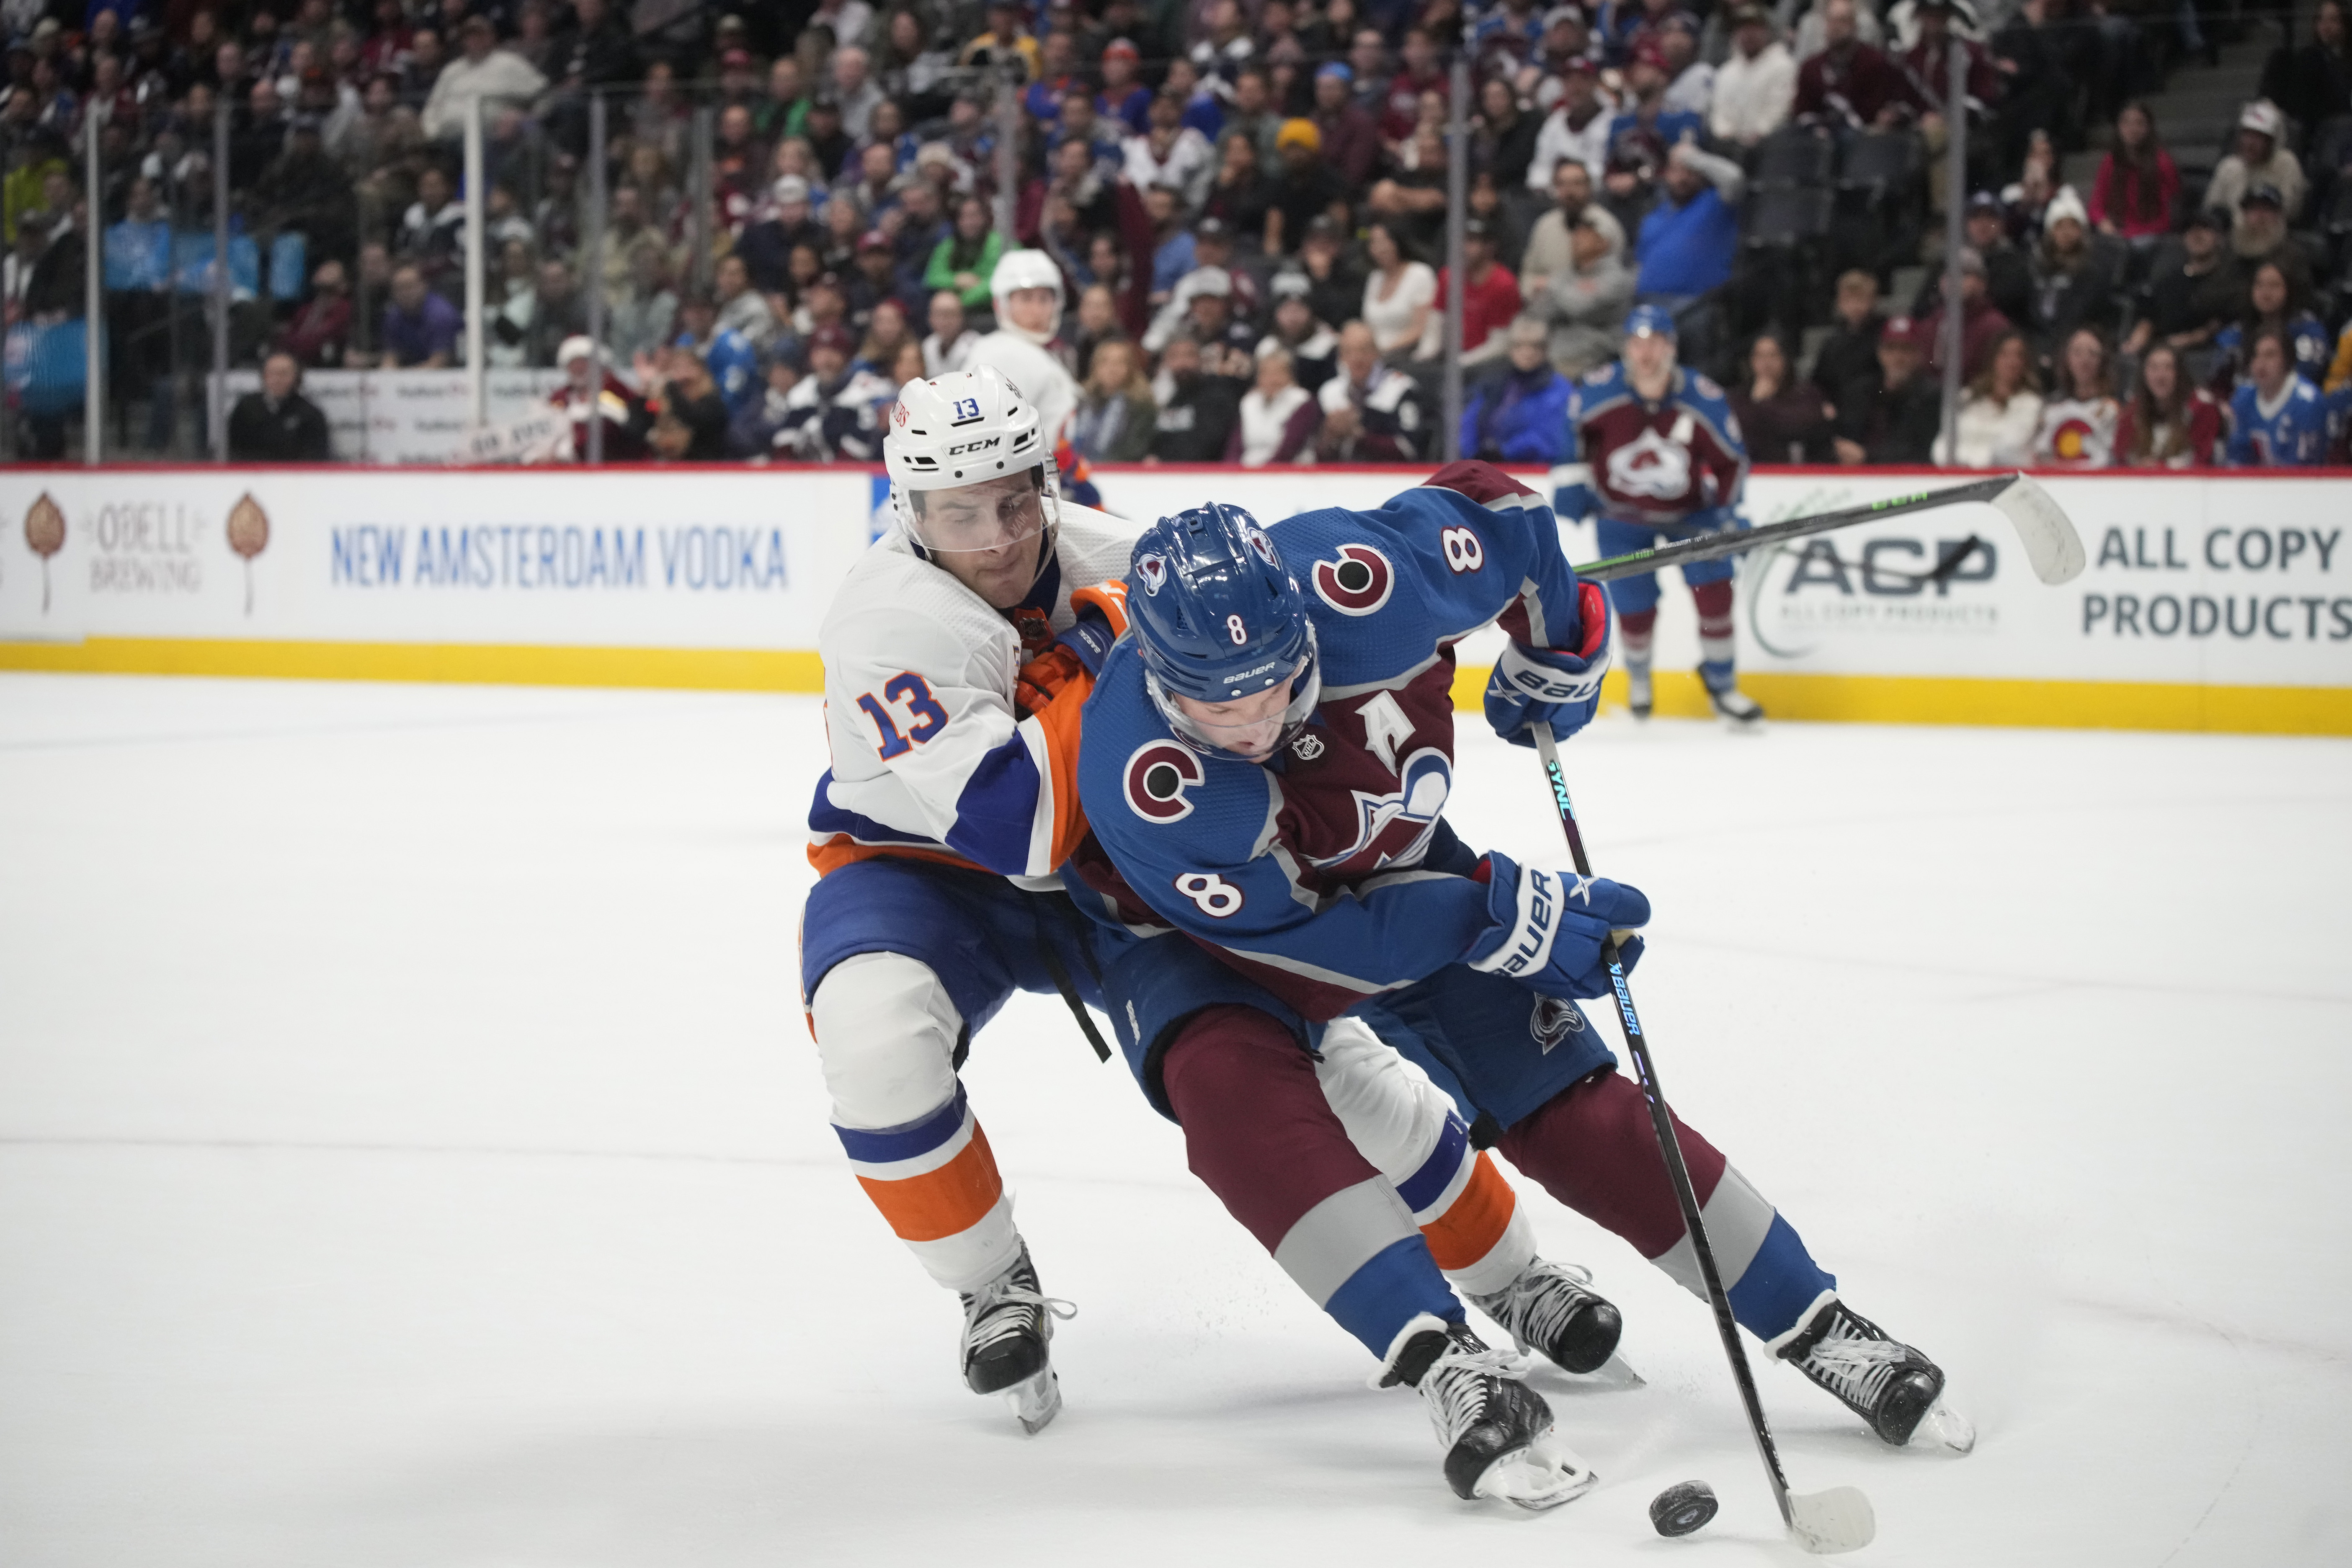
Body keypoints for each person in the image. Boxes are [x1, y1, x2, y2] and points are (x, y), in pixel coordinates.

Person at [1066, 485, 1972, 1501]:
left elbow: (1513, 521)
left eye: (1276, 686)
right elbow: (1311, 948)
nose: (1253, 722)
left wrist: (1558, 643)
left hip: (1395, 869)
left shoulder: (1363, 580)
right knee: (1235, 1099)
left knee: (1566, 1096)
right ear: (1156, 675)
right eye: (1215, 705)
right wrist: (1499, 912)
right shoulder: (1148, 776)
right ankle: (1445, 1361)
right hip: (1206, 936)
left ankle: (1816, 1318)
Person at [804, 367, 1609, 1446]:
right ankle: (991, 1282)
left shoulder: (1111, 551)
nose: (996, 536)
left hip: (1123, 873)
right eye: (959, 512)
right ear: (908, 508)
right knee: (872, 1040)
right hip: (924, 871)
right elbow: (1015, 827)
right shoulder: (884, 620)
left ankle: (1510, 1272)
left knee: (1325, 1066)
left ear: (1044, 476)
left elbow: (1262, 631)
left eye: (1013, 497)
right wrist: (1107, 656)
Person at [1556, 305, 1756, 726]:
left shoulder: (1702, 397)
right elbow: (1570, 437)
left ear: (1672, 348)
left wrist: (1728, 510)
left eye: (1655, 344)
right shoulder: (1598, 390)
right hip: (1622, 516)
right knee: (1634, 604)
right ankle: (1640, 681)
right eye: (1637, 344)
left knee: (1715, 592)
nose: (1645, 354)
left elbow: (1731, 462)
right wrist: (1572, 484)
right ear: (1626, 348)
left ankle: (1723, 684)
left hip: (1692, 514)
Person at [968, 248, 1083, 470]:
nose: (1037, 310)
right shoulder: (1004, 354)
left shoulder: (1039, 352)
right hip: (1026, 483)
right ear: (1001, 304)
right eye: (1026, 299)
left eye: (1044, 299)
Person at [2122, 207, 2242, 361]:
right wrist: (2136, 343)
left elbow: (2219, 326)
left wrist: (2189, 339)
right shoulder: (2169, 280)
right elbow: (2148, 318)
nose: (2196, 234)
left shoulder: (2228, 281)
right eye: (2190, 229)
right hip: (2161, 356)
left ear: (2220, 237)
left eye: (2205, 228)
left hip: (2206, 358)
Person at [1460, 318, 1573, 463]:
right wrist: (1473, 454)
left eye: (1535, 346)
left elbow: (1550, 439)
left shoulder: (1559, 389)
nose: (1527, 353)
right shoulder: (1493, 384)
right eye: (1519, 346)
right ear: (1510, 349)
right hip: (1486, 466)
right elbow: (1469, 422)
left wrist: (1504, 452)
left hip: (1535, 471)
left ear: (1546, 350)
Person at [1316, 320, 1431, 462]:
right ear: (1341, 357)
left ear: (1377, 353)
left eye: (1364, 350)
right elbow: (1318, 455)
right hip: (1341, 479)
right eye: (1349, 352)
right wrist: (1330, 436)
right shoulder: (1330, 392)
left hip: (1388, 478)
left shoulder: (1401, 389)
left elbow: (1411, 450)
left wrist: (1360, 437)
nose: (1357, 358)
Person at [1835, 313, 1942, 465]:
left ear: (1919, 354)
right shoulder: (1861, 391)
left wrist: (1867, 457)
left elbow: (1919, 452)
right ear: (1880, 352)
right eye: (1891, 348)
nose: (1898, 357)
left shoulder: (1931, 397)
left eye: (1906, 349)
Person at [776, 323, 892, 461]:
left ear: (847, 357)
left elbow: (859, 451)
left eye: (833, 352)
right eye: (819, 352)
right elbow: (783, 447)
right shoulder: (801, 392)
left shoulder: (870, 390)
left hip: (856, 475)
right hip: (808, 476)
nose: (826, 360)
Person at [2210, 261, 2330, 390]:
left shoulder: (2307, 329)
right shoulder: (2237, 331)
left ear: (2289, 290)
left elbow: (2305, 377)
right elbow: (2218, 380)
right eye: (2259, 285)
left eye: (2274, 286)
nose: (2266, 293)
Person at [1932, 330, 2043, 467]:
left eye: (2019, 356)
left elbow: (2011, 449)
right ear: (1993, 358)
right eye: (2005, 354)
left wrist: (1975, 462)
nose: (2012, 362)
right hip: (1958, 474)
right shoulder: (1966, 398)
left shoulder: (2031, 404)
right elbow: (1943, 445)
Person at [1733, 328, 1839, 463]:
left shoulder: (1806, 393)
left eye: (1773, 355)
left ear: (1785, 359)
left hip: (1798, 471)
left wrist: (1763, 403)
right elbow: (1738, 430)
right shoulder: (1738, 396)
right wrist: (1757, 401)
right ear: (1752, 361)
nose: (1766, 363)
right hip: (1754, 470)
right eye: (1760, 356)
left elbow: (1802, 425)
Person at [2226, 328, 2328, 465]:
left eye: (2270, 355)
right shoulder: (2243, 398)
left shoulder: (2308, 403)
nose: (2261, 364)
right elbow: (2237, 459)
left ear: (2287, 360)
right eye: (2255, 356)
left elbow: (2305, 471)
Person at [2114, 342, 2222, 469]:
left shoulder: (2202, 407)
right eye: (2154, 368)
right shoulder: (2133, 410)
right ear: (2144, 374)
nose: (2160, 376)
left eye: (2168, 368)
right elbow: (2121, 456)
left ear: (2180, 374)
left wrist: (2160, 467)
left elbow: (2202, 459)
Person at [2204, 100, 2305, 229]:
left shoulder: (2286, 164)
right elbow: (2211, 211)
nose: (2250, 143)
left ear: (2271, 142)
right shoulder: (2228, 166)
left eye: (2258, 137)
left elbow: (2288, 212)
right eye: (2247, 135)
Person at [2088, 102, 2178, 242]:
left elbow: (2169, 212)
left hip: (2152, 233)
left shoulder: (2162, 162)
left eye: (2139, 123)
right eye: (2127, 123)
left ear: (2148, 128)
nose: (2133, 129)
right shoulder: (2110, 161)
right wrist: (2103, 221)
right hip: (2118, 231)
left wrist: (2134, 234)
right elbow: (2097, 204)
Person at [1919, 248, 2011, 384]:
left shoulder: (1995, 326)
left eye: (1964, 274)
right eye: (1949, 274)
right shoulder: (1930, 324)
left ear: (1982, 283)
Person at [1711, 4, 1798, 148]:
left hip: (1767, 146)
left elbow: (1779, 110)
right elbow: (1719, 114)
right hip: (1729, 146)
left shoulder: (1783, 66)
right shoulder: (1726, 72)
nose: (1748, 34)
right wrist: (1725, 135)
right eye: (1743, 29)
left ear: (1767, 31)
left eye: (1754, 28)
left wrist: (1759, 133)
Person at [1147, 333, 1243, 461]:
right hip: (1166, 475)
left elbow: (1208, 445)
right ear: (1166, 362)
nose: (1183, 363)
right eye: (1175, 357)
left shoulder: (1217, 394)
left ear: (1200, 359)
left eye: (1189, 355)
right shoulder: (1168, 399)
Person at [549, 334, 645, 462]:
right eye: (573, 364)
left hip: (618, 468)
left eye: (584, 362)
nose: (578, 368)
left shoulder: (617, 392)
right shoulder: (559, 398)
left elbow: (620, 430)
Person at [227, 351, 333, 461]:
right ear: (264, 376)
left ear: (297, 377)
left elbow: (316, 456)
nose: (277, 379)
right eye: (272, 373)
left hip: (295, 475)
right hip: (251, 474)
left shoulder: (310, 414)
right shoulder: (246, 408)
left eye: (284, 374)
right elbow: (234, 449)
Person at [1068, 337, 1157, 464]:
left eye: (1120, 362)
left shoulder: (1142, 407)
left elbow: (1134, 451)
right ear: (1095, 367)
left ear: (1131, 368)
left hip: (1118, 475)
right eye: (1105, 362)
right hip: (1078, 471)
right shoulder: (1081, 402)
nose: (1112, 369)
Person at [1231, 344, 1320, 466]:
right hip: (1249, 473)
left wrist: (1263, 475)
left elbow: (1288, 449)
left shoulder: (1302, 402)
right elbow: (1235, 447)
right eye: (1265, 373)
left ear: (1290, 376)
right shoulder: (1249, 403)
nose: (1271, 379)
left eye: (1278, 373)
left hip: (1289, 473)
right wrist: (1231, 473)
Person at [379, 262, 459, 368]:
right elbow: (391, 356)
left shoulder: (441, 315)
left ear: (423, 286)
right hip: (413, 371)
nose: (405, 293)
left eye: (410, 287)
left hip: (451, 374)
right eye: (399, 288)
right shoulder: (394, 316)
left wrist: (403, 379)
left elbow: (439, 362)